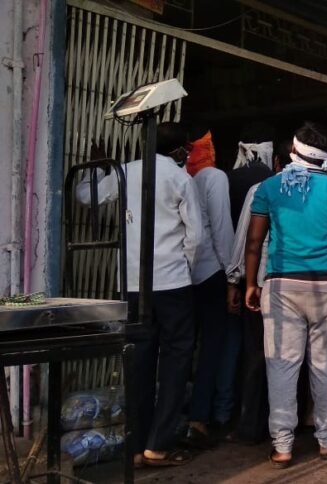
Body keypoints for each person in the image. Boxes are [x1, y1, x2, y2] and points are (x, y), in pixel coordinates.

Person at [76, 122, 203, 466]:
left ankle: (134, 447)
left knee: (139, 363)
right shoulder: (181, 180)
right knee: (176, 363)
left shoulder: (125, 173)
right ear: (178, 151)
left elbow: (85, 196)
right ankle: (157, 445)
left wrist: (101, 168)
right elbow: (196, 237)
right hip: (173, 284)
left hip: (133, 285)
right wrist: (184, 269)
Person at [244, 122, 327, 468]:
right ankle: (326, 443)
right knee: (326, 367)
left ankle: (283, 447)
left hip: (282, 285)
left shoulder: (269, 187)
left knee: (282, 366)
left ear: (292, 153)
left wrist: (250, 282)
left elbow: (253, 243)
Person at [223, 138, 285, 445]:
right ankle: (286, 427)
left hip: (261, 284)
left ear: (277, 164)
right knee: (291, 360)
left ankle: (251, 427)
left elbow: (248, 240)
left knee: (256, 357)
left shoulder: (262, 190)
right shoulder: (324, 190)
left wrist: (237, 280)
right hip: (303, 286)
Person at [184, 129, 237, 448]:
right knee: (213, 348)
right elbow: (221, 228)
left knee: (183, 348)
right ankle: (202, 416)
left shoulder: (181, 176)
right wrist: (233, 274)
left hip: (180, 275)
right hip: (210, 273)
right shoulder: (213, 177)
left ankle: (181, 411)